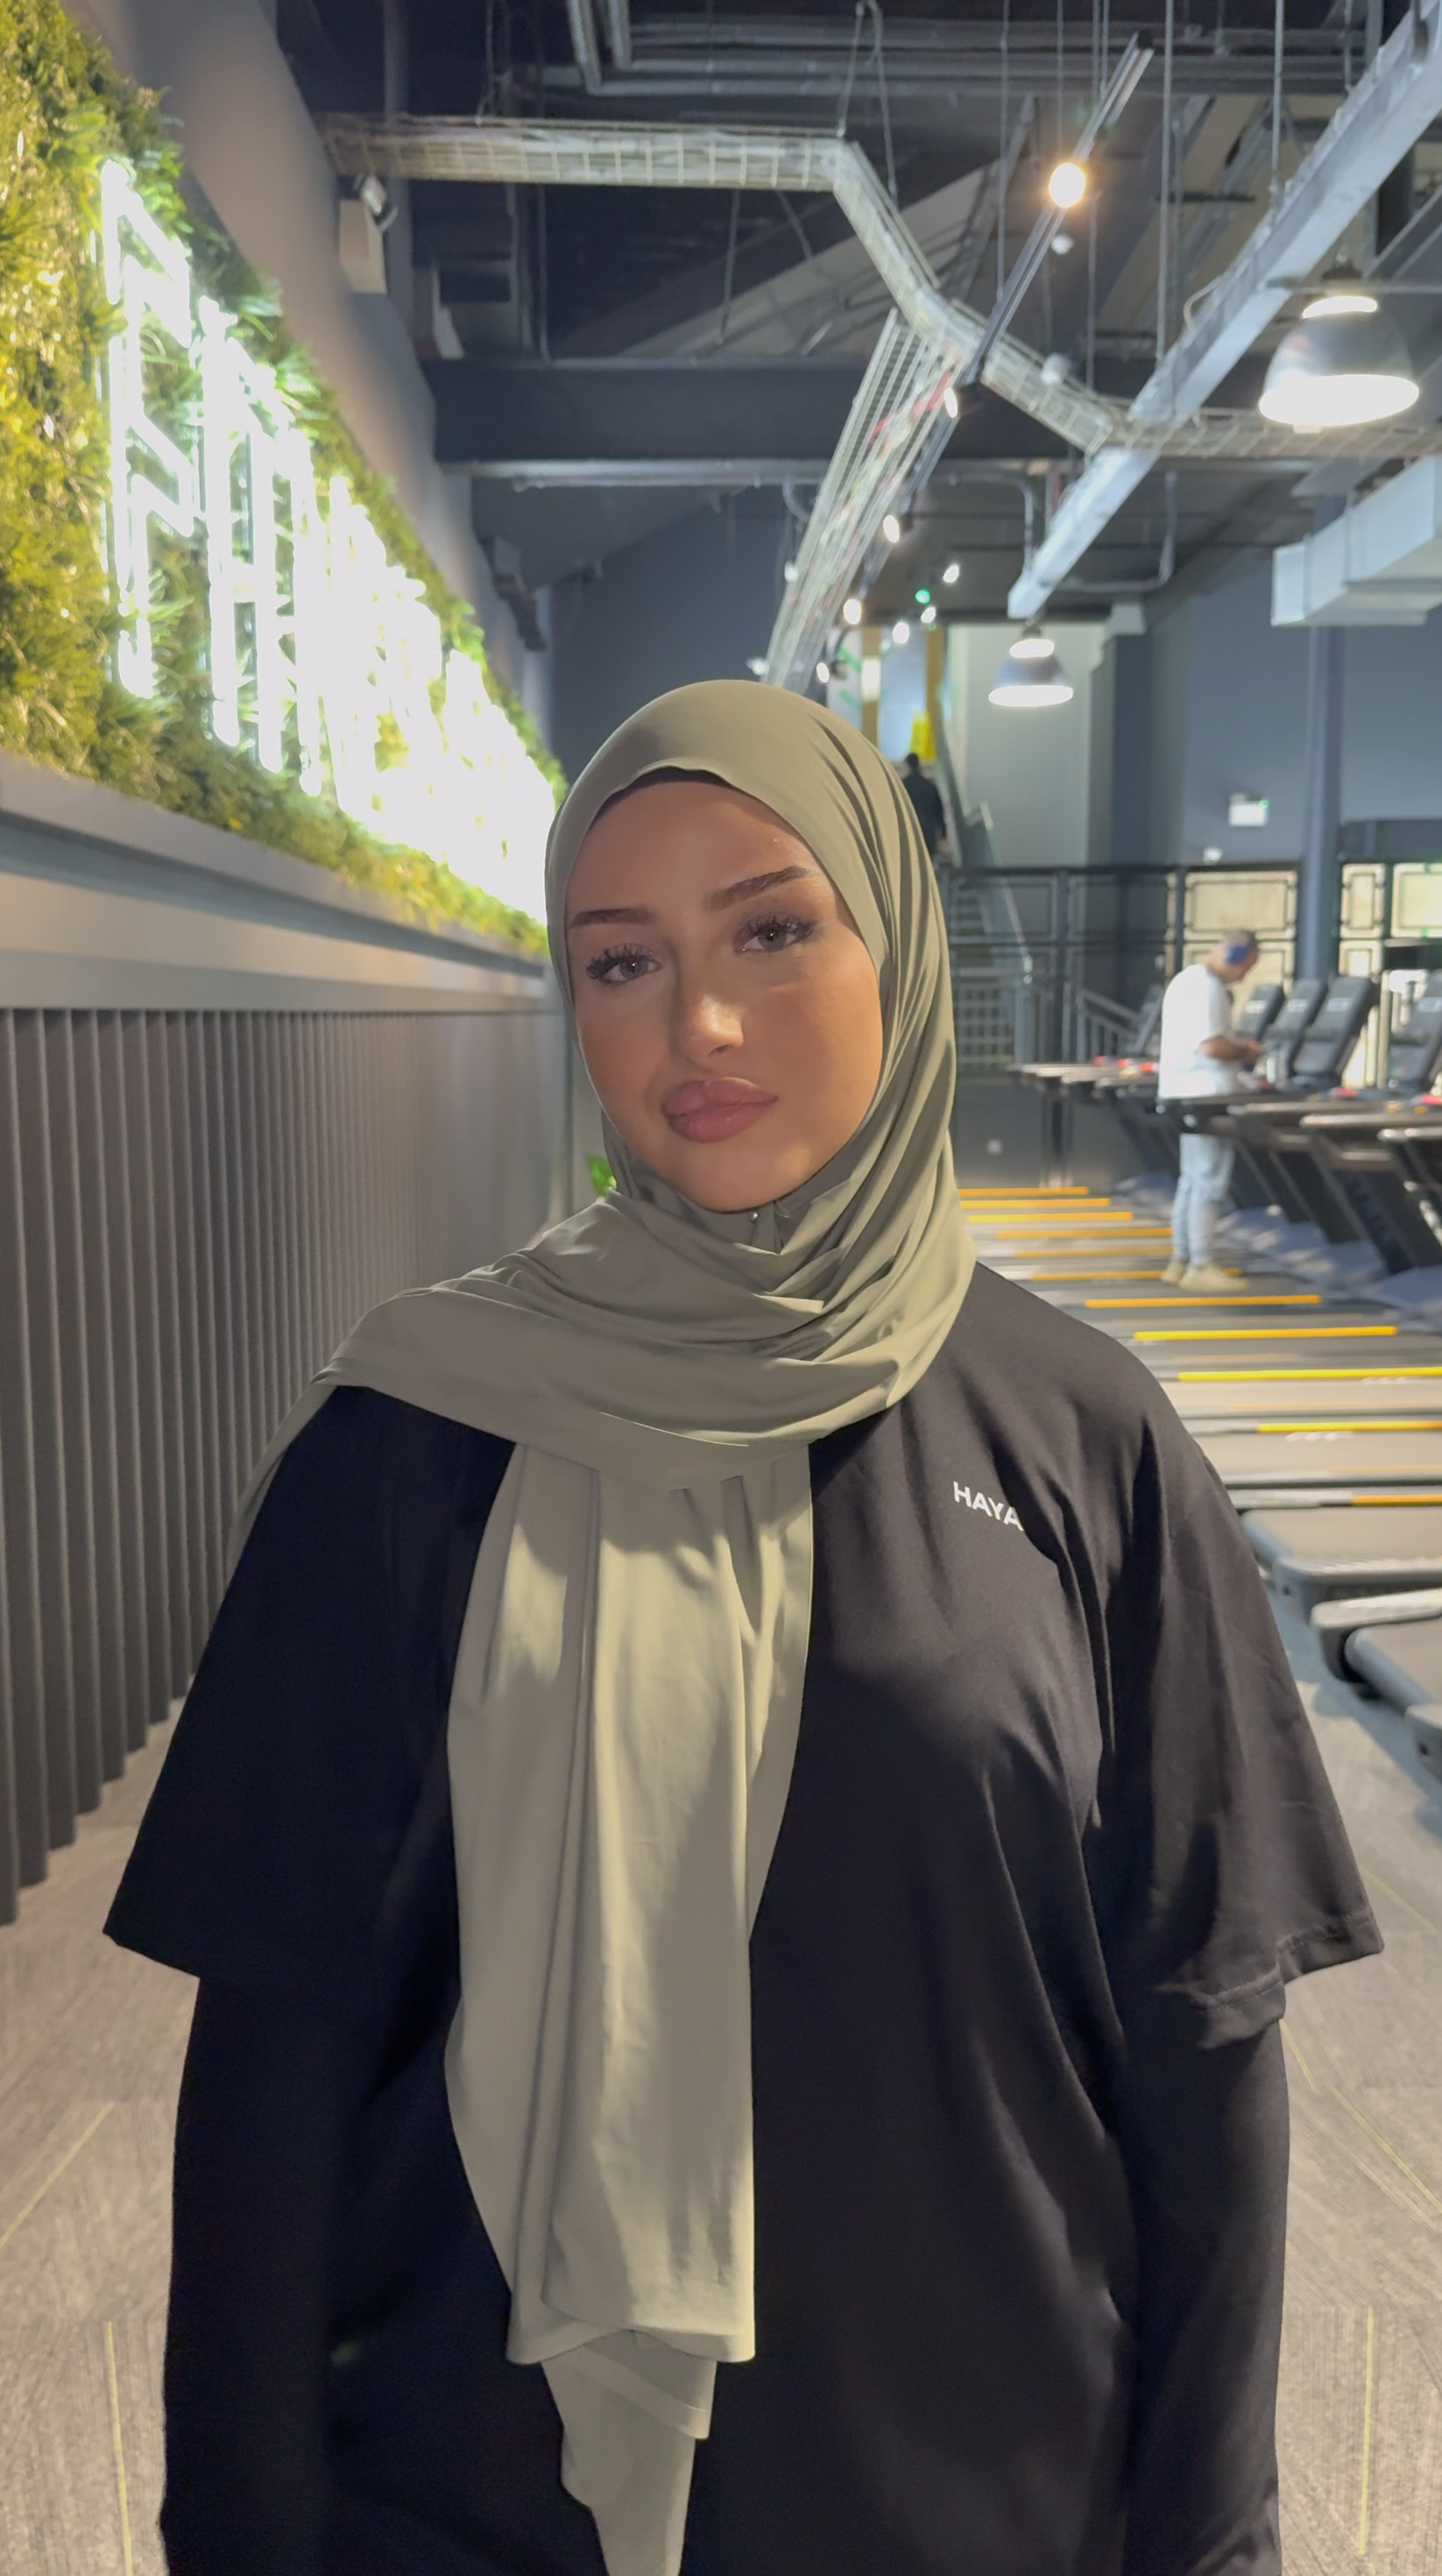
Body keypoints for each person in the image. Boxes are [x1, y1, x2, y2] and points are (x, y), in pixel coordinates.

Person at [107, 688, 1378, 2576]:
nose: (695, 1025)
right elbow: (277, 2063)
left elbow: (1202, 2047)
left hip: (981, 2477)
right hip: (478, 2493)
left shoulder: (1081, 1438)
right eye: (620, 961)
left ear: (896, 943)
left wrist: (1212, 2542)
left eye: (772, 931)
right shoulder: (414, 1439)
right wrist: (231, 2530)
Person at [1156, 931, 1262, 1291]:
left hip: (1186, 1092)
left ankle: (1182, 1259)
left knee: (1191, 1180)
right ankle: (1200, 1264)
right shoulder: (1207, 988)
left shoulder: (1187, 980)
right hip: (1206, 1095)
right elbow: (1212, 1046)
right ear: (1233, 953)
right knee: (1209, 1182)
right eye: (1246, 968)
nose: (1243, 977)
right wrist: (1246, 1051)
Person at [901, 747, 946, 856]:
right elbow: (939, 811)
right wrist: (944, 833)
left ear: (908, 765)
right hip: (928, 830)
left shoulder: (903, 786)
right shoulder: (929, 786)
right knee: (928, 859)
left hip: (909, 829)